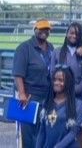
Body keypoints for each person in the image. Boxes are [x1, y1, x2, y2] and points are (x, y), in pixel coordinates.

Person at [12, 19, 54, 148]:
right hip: (30, 96)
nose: (44, 32)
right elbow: (18, 74)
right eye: (41, 29)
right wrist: (22, 93)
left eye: (47, 29)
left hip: (47, 96)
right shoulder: (24, 48)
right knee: (29, 134)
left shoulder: (51, 47)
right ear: (35, 29)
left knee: (43, 132)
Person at [36, 65, 82, 148]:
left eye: (60, 80)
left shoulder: (77, 104)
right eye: (54, 79)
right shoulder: (46, 103)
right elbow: (42, 131)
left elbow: (73, 133)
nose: (56, 83)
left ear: (68, 82)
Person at [50, 22, 82, 100]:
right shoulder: (57, 52)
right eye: (71, 33)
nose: (74, 36)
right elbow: (52, 73)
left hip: (78, 96)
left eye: (77, 34)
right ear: (67, 33)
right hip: (60, 96)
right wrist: (61, 89)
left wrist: (75, 90)